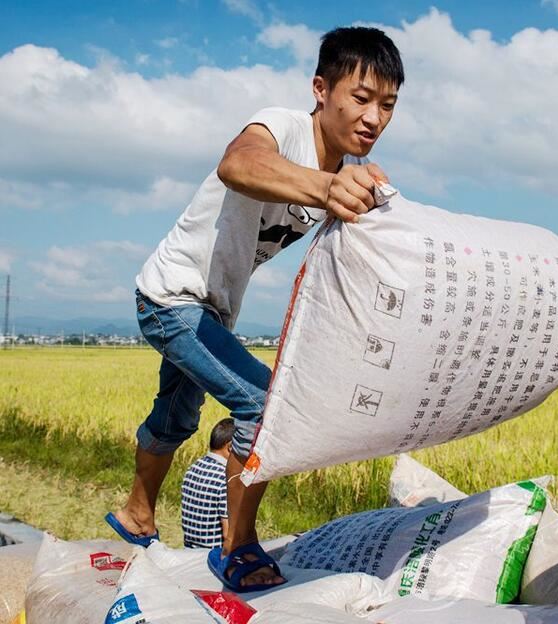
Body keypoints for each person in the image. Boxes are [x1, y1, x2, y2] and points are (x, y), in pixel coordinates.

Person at [105, 26, 404, 592]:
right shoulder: (283, 127)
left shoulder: (342, 173)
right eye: (361, 98)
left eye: (387, 105)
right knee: (264, 408)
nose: (374, 117)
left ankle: (135, 515)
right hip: (173, 297)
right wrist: (324, 188)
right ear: (322, 89)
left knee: (176, 417)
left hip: (211, 312)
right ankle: (237, 546)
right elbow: (237, 165)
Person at [181, 418, 234, 549]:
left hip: (190, 551)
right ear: (231, 447)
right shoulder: (225, 479)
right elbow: (229, 535)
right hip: (213, 556)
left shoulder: (193, 468)